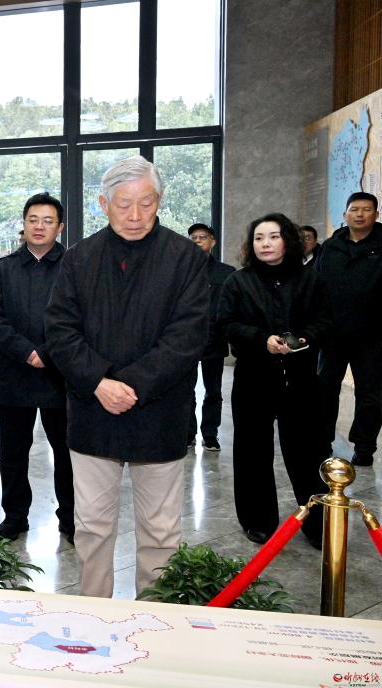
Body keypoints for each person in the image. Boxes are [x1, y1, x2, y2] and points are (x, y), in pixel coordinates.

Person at [45, 156, 208, 598]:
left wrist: (131, 385)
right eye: (123, 205)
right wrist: (99, 382)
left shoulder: (185, 257)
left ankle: (153, 617)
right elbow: (59, 330)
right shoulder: (79, 259)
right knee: (92, 527)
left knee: (160, 531)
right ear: (103, 204)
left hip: (159, 411)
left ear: (160, 200)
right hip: (92, 409)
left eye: (146, 203)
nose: (135, 216)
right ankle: (93, 614)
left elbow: (188, 334)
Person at [218, 213, 329, 547]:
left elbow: (326, 320)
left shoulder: (311, 279)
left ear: (288, 241)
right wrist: (260, 339)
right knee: (252, 451)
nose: (265, 243)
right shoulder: (238, 282)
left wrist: (305, 338)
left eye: (273, 236)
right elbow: (225, 323)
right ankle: (257, 520)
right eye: (258, 238)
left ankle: (316, 523)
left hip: (301, 379)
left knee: (307, 452)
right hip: (254, 378)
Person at [0, 193, 73, 544]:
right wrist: (26, 351)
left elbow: (80, 316)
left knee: (66, 452)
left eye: (48, 221)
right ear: (23, 224)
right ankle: (15, 516)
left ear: (59, 227)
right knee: (12, 453)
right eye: (33, 219)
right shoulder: (4, 268)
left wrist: (48, 352)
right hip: (14, 374)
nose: (39, 226)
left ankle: (70, 517)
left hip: (60, 374)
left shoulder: (73, 266)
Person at [317, 192, 382, 467]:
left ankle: (364, 447)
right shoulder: (332, 246)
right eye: (354, 209)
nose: (359, 214)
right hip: (332, 333)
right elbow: (316, 284)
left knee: (370, 394)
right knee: (324, 390)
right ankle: (321, 440)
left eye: (366, 210)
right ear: (345, 214)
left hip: (372, 335)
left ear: (376, 215)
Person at [186, 223, 235, 452]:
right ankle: (188, 433)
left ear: (212, 241)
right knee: (186, 390)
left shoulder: (226, 273)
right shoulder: (182, 270)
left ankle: (210, 434)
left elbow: (230, 308)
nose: (197, 241)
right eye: (193, 238)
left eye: (202, 237)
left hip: (214, 339)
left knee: (213, 390)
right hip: (187, 341)